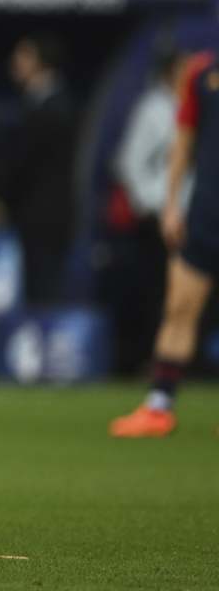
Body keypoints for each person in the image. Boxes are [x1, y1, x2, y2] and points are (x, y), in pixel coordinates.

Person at [110, 50, 219, 438]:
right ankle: (159, 406)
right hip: (206, 213)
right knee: (178, 308)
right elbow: (183, 143)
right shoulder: (202, 72)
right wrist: (172, 205)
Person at [0, 35, 77, 303]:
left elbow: (25, 162)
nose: (15, 62)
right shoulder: (34, 103)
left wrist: (2, 197)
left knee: (45, 294)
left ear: (41, 62)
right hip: (34, 216)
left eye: (23, 56)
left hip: (46, 218)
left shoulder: (54, 107)